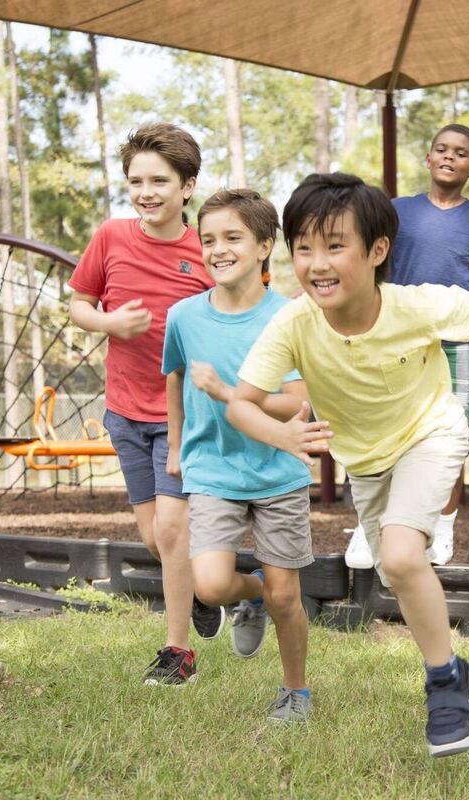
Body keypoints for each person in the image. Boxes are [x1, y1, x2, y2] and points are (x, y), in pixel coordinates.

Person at [227, 173, 469, 757]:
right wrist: (280, 433)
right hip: (366, 458)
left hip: (431, 433)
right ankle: (458, 671)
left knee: (406, 555)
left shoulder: (417, 304)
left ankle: (442, 691)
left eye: (335, 246)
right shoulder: (294, 323)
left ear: (377, 251)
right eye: (303, 247)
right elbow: (241, 403)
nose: (316, 263)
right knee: (396, 572)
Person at [68, 122, 223, 686]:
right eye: (136, 181)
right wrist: (109, 321)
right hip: (124, 410)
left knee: (173, 531)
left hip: (185, 416)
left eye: (160, 180)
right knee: (153, 537)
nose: (146, 191)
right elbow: (80, 303)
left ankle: (177, 652)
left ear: (188, 187)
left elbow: (239, 312)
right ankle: (209, 593)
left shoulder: (208, 249)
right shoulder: (110, 236)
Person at [162, 188, 315, 721]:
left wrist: (230, 392)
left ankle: (295, 691)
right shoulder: (183, 316)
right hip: (212, 469)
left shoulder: (290, 316)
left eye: (233, 238)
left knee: (287, 597)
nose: (217, 249)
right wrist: (176, 445)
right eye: (208, 240)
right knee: (209, 584)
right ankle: (249, 597)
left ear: (264, 246)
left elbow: (296, 404)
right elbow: (176, 377)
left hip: (278, 471)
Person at [344, 123, 469, 569]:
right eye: (441, 149)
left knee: (450, 440)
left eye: (460, 153)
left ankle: (443, 528)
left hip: (459, 343)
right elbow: (369, 267)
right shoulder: (397, 211)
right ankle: (369, 525)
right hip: (398, 341)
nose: (449, 157)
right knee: (383, 431)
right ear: (428, 158)